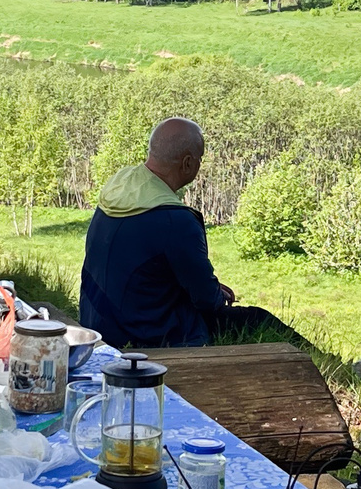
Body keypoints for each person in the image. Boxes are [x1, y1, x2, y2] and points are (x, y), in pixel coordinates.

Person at [80, 117, 288, 349]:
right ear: (188, 163)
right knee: (260, 320)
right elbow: (208, 301)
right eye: (200, 158)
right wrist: (215, 293)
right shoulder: (175, 220)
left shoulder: (119, 185)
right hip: (146, 337)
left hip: (98, 323)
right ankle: (327, 371)